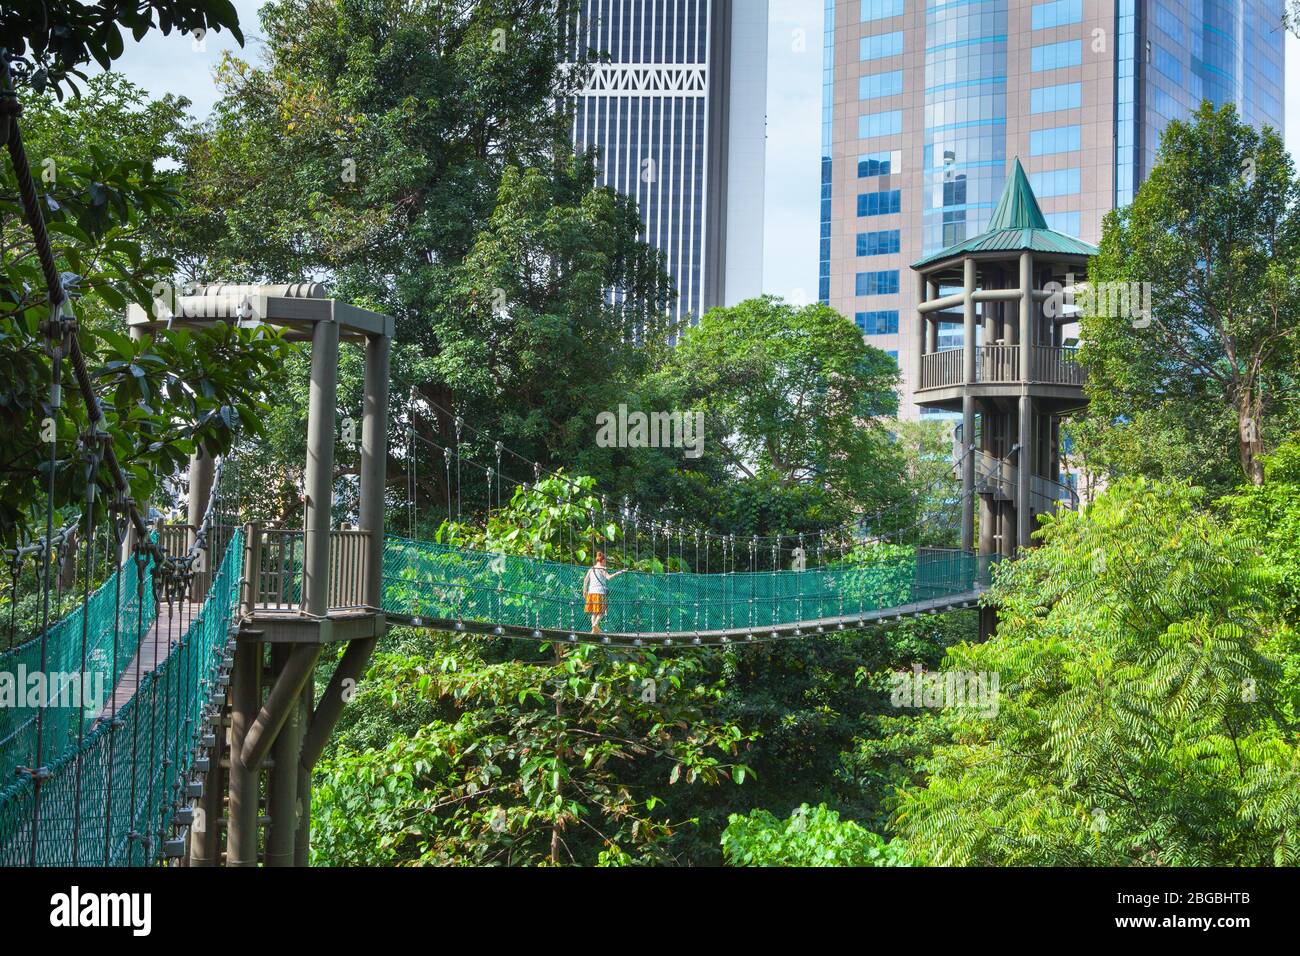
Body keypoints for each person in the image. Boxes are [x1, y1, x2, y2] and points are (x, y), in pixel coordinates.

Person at [583, 551, 627, 634]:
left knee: (594, 612)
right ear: (603, 561)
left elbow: (585, 580)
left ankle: (594, 630)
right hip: (600, 592)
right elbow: (609, 578)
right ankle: (595, 624)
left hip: (591, 592)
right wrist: (619, 572)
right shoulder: (602, 569)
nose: (605, 563)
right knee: (602, 611)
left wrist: (584, 590)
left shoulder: (591, 569)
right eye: (605, 561)